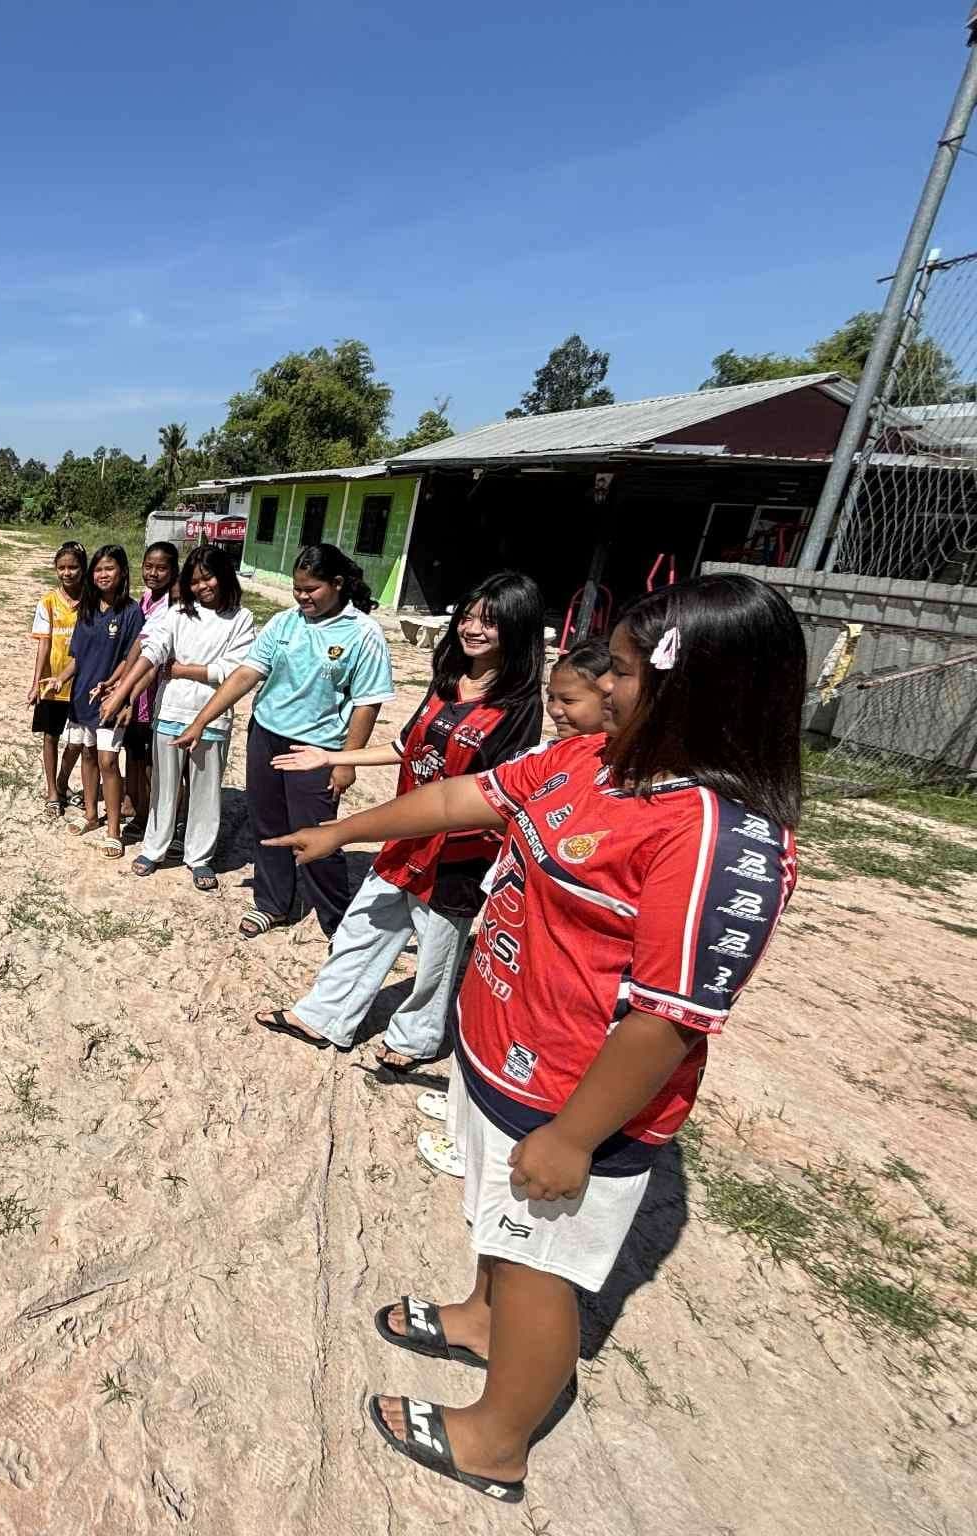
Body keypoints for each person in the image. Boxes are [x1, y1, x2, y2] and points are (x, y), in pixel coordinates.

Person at [276, 574, 803, 1504]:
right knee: (502, 1236)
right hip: (502, 1051)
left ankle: (496, 1439)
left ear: (696, 688)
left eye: (628, 672)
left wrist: (570, 1137)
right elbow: (458, 802)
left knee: (540, 1266)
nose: (605, 688)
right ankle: (482, 1319)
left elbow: (666, 1018)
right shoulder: (589, 764)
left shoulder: (716, 837)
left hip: (573, 1099)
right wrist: (343, 831)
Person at [253, 571, 546, 1073]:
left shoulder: (518, 708)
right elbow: (403, 746)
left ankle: (416, 1039)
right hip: (404, 835)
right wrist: (331, 758)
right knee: (363, 926)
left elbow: (506, 792)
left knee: (436, 951)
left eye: (490, 623)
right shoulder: (449, 682)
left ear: (517, 630)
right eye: (469, 617)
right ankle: (324, 1017)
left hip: (458, 854)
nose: (472, 629)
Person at [415, 634, 615, 1179]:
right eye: (553, 697)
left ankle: (475, 1146)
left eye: (570, 702)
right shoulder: (549, 756)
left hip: (544, 934)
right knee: (479, 1008)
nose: (555, 711)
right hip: (508, 911)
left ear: (611, 698)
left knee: (518, 1038)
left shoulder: (603, 775)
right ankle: (460, 1112)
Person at [175, 543, 393, 942]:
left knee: (319, 833)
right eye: (297, 588)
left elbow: (367, 704)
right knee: (267, 823)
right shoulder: (284, 623)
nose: (302, 596)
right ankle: (272, 903)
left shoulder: (363, 633)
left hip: (317, 749)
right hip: (267, 735)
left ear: (337, 584)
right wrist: (200, 720)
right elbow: (245, 675)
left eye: (311, 589)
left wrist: (346, 762)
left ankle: (335, 922)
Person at [104, 544, 255, 890]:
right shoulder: (178, 614)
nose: (204, 587)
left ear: (225, 576)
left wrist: (184, 670)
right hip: (170, 711)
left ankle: (199, 856)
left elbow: (232, 671)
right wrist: (123, 691)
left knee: (205, 790)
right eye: (196, 581)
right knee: (164, 787)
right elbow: (152, 652)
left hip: (213, 717)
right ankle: (155, 848)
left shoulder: (240, 618)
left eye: (209, 578)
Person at [61, 544, 145, 857]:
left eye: (109, 568)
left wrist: (116, 686)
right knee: (87, 754)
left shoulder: (132, 612)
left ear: (122, 571)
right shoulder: (87, 608)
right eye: (98, 569)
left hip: (111, 697)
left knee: (109, 760)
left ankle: (113, 830)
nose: (102, 575)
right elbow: (76, 657)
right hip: (82, 695)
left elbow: (132, 657)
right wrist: (60, 678)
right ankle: (90, 816)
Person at [117, 541, 179, 833]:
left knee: (151, 756)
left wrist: (125, 690)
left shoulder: (171, 604)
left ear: (173, 571)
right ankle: (133, 802)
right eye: (148, 566)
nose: (153, 573)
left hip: (151, 690)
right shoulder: (145, 599)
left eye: (161, 568)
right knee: (134, 749)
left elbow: (147, 650)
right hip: (136, 688)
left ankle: (151, 813)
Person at [27, 541, 88, 816]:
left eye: (73, 567)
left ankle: (63, 781)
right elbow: (44, 644)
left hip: (83, 683)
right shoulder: (48, 602)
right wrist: (35, 683)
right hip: (52, 684)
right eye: (61, 567)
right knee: (50, 737)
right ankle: (53, 791)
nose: (67, 573)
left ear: (83, 568)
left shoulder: (93, 601)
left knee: (78, 741)